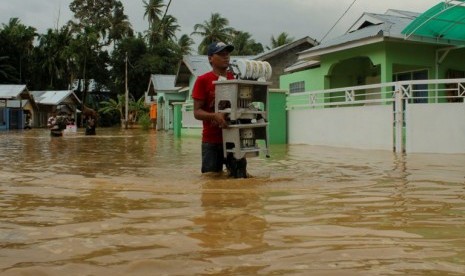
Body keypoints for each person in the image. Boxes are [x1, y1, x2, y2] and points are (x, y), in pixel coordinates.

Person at [192, 41, 247, 178]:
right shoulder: (203, 80)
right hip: (211, 141)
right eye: (221, 54)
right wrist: (214, 116)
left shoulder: (234, 79)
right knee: (210, 181)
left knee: (240, 179)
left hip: (233, 139)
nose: (226, 57)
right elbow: (196, 112)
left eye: (227, 54)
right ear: (210, 58)